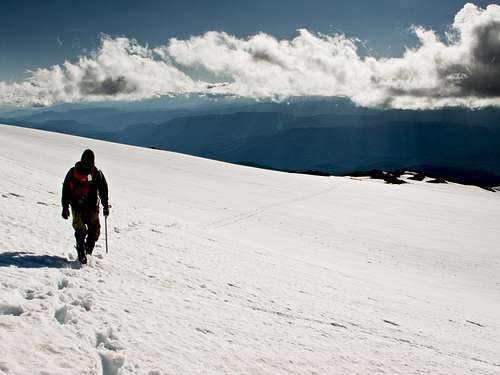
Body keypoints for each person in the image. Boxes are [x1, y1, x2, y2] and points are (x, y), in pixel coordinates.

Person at [61, 149, 109, 264]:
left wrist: (65, 207)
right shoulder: (96, 172)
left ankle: (81, 249)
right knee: (94, 230)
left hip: (76, 205)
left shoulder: (73, 171)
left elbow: (66, 189)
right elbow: (103, 190)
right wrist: (105, 206)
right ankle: (87, 252)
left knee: (80, 229)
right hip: (92, 206)